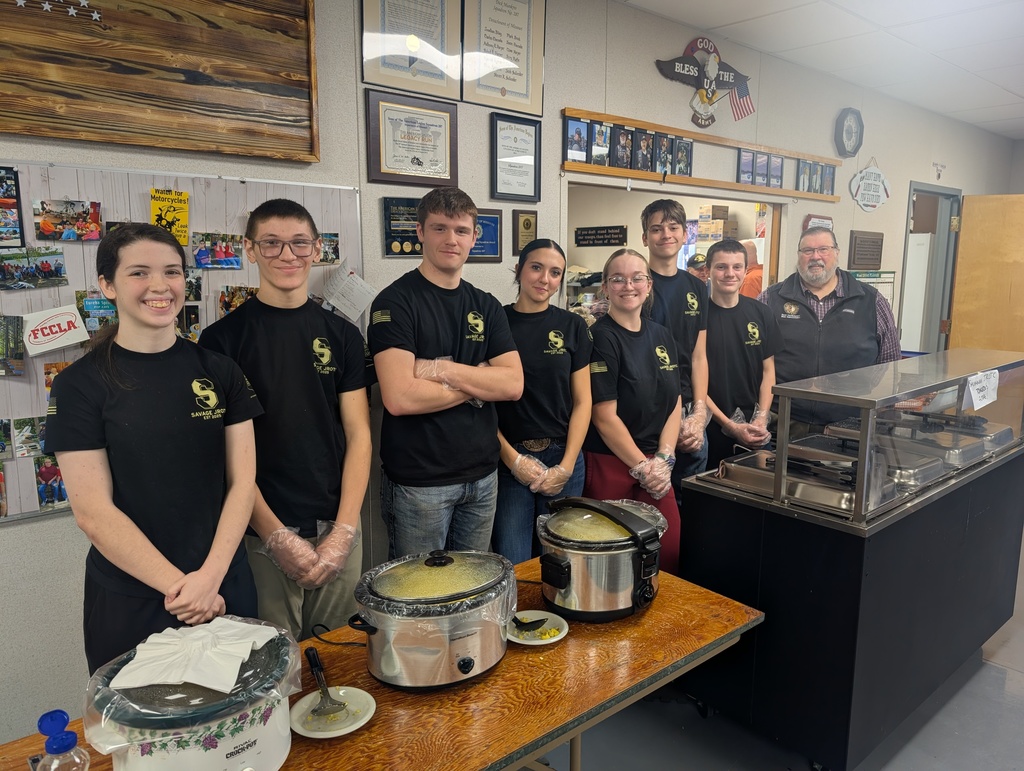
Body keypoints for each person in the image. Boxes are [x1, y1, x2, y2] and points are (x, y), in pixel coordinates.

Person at [46, 223, 261, 673]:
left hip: (224, 582)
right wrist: (185, 591)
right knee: (148, 737)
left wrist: (211, 578)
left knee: (239, 730)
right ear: (107, 285)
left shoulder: (219, 370)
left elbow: (242, 483)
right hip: (137, 596)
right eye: (139, 273)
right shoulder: (78, 385)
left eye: (173, 272)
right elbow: (93, 514)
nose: (160, 286)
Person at [199, 199, 372, 642]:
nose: (287, 255)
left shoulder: (344, 336)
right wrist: (276, 536)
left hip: (336, 524)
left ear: (317, 250)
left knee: (341, 659)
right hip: (260, 533)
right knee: (275, 671)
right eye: (271, 244)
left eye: (299, 244)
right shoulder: (220, 341)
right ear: (250, 250)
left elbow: (358, 435)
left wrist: (345, 530)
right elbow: (223, 455)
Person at [368, 187, 523, 559]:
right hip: (421, 483)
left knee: (470, 593)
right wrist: (479, 383)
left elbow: (513, 384)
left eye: (461, 230)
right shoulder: (394, 302)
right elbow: (400, 397)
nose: (451, 240)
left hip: (483, 478)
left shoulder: (485, 304)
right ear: (420, 232)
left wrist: (441, 370)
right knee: (420, 599)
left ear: (473, 236)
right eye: (439, 228)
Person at [493, 239, 592, 565]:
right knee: (515, 562)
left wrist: (565, 465)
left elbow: (583, 402)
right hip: (510, 462)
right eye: (536, 267)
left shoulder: (572, 325)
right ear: (519, 270)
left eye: (555, 273)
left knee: (563, 562)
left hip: (565, 457)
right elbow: (482, 403)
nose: (544, 279)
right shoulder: (496, 323)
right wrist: (513, 461)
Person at [583, 249, 682, 574]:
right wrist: (641, 465)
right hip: (613, 466)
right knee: (612, 564)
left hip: (657, 466)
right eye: (618, 278)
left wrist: (664, 459)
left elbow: (674, 400)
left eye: (637, 277)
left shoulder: (661, 334)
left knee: (668, 552)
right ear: (605, 287)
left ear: (649, 284)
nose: (629, 285)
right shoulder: (601, 337)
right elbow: (603, 415)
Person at [758, 226, 900, 437]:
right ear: (799, 256)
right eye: (807, 251)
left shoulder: (871, 300)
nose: (815, 257)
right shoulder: (771, 299)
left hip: (851, 423)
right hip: (785, 420)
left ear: (836, 253)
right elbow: (752, 359)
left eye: (823, 249)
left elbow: (891, 365)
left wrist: (887, 415)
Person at [640, 200, 710, 493]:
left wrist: (699, 413)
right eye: (656, 229)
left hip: (688, 413)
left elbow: (699, 355)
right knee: (652, 500)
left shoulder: (696, 287)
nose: (665, 234)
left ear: (684, 235)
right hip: (647, 412)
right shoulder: (636, 285)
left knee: (691, 502)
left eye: (673, 227)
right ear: (645, 238)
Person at [704, 240, 780, 468]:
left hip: (756, 431)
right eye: (721, 267)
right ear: (707, 271)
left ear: (746, 271)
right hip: (710, 429)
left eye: (737, 267)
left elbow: (769, 372)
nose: (730, 274)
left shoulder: (761, 313)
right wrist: (728, 425)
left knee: (757, 494)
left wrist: (761, 418)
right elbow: (691, 381)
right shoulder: (696, 317)